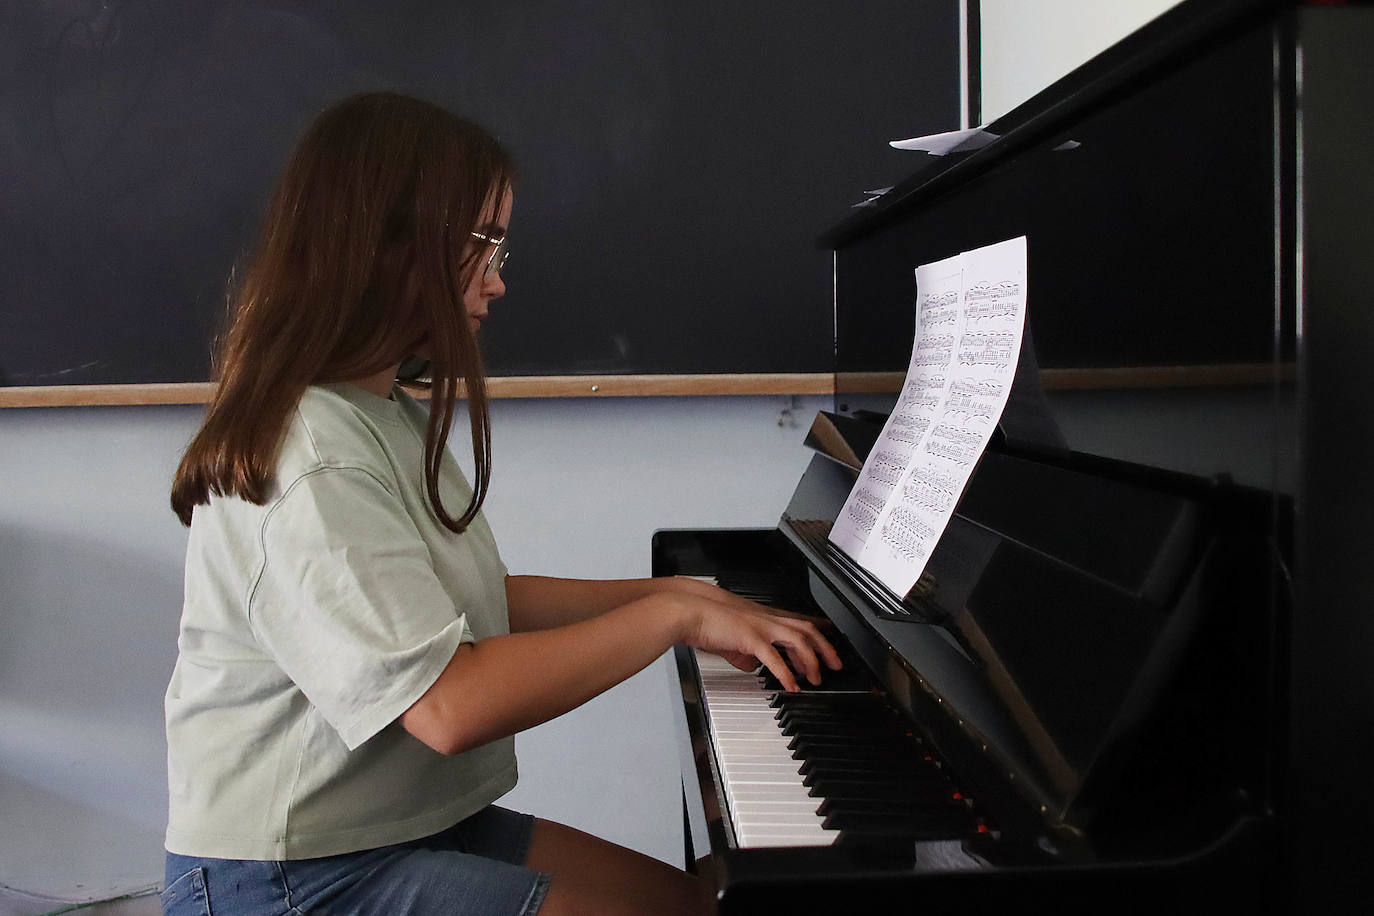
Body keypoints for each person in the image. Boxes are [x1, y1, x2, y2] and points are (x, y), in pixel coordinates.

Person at [162, 91, 840, 916]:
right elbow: (451, 704)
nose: (498, 279)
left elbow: (480, 602)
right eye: (483, 245)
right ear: (389, 248)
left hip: (401, 825)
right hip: (293, 872)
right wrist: (675, 622)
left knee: (702, 906)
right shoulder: (310, 456)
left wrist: (673, 593)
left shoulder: (380, 413)